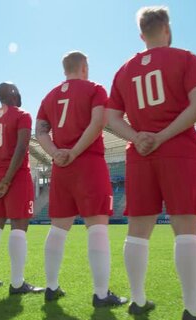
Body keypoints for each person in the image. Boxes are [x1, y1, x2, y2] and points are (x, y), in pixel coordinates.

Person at [105, 6, 196, 320]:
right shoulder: (185, 58)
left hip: (140, 154)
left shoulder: (124, 70)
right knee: (185, 228)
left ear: (141, 35)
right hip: (179, 149)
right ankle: (193, 310)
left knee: (137, 232)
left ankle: (137, 300)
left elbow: (111, 117)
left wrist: (138, 135)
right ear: (167, 30)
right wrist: (163, 135)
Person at [36, 51, 127, 306]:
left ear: (65, 69)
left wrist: (56, 153)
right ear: (84, 67)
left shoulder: (50, 96)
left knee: (57, 229)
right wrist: (75, 152)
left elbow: (40, 130)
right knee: (97, 227)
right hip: (87, 162)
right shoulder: (94, 89)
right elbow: (98, 121)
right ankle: (100, 293)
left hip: (61, 167)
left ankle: (51, 287)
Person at [0, 82, 45, 295]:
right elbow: (22, 146)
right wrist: (7, 180)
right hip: (15, 176)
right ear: (14, 93)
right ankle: (17, 283)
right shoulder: (22, 115)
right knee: (19, 226)